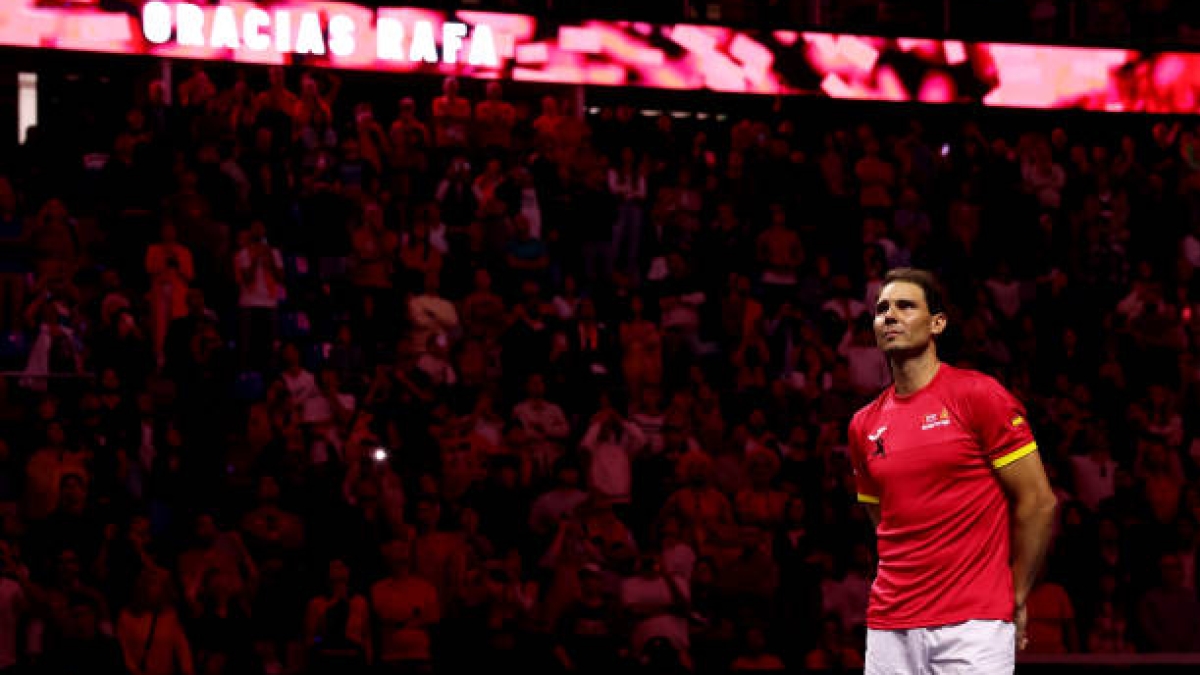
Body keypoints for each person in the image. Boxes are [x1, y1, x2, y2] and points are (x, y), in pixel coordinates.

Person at [848, 268, 1057, 674]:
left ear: (937, 324)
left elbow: (1038, 501)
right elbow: (883, 517)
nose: (890, 316)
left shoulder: (979, 395)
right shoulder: (863, 424)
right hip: (890, 625)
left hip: (973, 625)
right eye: (882, 309)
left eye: (905, 306)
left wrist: (1015, 595)